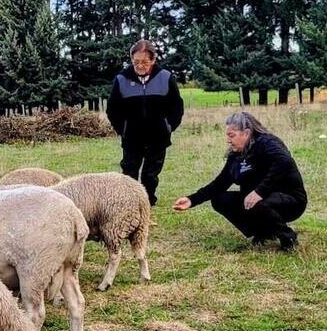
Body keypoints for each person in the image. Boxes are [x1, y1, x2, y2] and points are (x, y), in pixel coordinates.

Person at [173, 112, 307, 251]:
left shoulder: (266, 143)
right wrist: (192, 200)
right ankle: (263, 232)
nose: (228, 140)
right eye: (227, 136)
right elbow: (220, 183)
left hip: (291, 201)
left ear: (246, 133)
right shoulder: (236, 155)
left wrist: (260, 191)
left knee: (257, 202)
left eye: (232, 135)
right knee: (219, 199)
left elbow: (285, 161)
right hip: (260, 202)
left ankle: (287, 236)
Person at [107, 39, 184, 206]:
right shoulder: (121, 79)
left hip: (158, 137)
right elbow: (113, 109)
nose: (140, 65)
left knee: (151, 174)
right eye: (136, 62)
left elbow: (177, 107)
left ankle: (147, 202)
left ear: (153, 60)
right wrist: (123, 129)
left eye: (144, 62)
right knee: (129, 170)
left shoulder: (166, 78)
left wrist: (168, 126)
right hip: (132, 137)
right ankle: (130, 202)